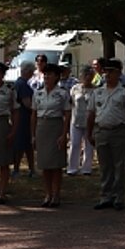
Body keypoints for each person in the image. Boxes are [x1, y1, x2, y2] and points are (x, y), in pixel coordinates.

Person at [88, 58, 125, 210]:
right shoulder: (98, 92)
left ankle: (118, 197)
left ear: (118, 73)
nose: (107, 75)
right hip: (102, 130)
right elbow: (91, 114)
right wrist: (90, 133)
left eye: (111, 72)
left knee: (118, 166)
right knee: (104, 166)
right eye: (105, 72)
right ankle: (105, 196)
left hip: (118, 131)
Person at [31, 64, 72, 208]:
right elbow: (34, 114)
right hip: (42, 127)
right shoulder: (38, 93)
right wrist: (33, 134)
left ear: (56, 76)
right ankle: (47, 194)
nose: (47, 77)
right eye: (45, 74)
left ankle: (56, 194)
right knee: (44, 164)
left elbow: (67, 114)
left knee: (56, 165)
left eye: (50, 74)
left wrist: (64, 134)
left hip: (56, 126)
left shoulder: (62, 93)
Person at [0, 62, 19, 205]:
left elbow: (15, 112)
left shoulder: (9, 91)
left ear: (2, 75)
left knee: (3, 161)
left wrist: (13, 131)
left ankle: (2, 192)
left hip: (2, 123)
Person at [66, 65, 96, 176]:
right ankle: (72, 167)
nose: (88, 78)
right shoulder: (75, 88)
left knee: (89, 145)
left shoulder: (96, 90)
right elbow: (70, 103)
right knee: (74, 144)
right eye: (86, 75)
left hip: (89, 121)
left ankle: (86, 168)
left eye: (90, 75)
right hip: (76, 120)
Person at [11, 61, 35, 178]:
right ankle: (17, 169)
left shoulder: (19, 83)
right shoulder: (22, 85)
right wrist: (36, 111)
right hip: (23, 118)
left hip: (23, 117)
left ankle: (30, 169)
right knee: (22, 144)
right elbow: (27, 103)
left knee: (26, 144)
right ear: (29, 71)